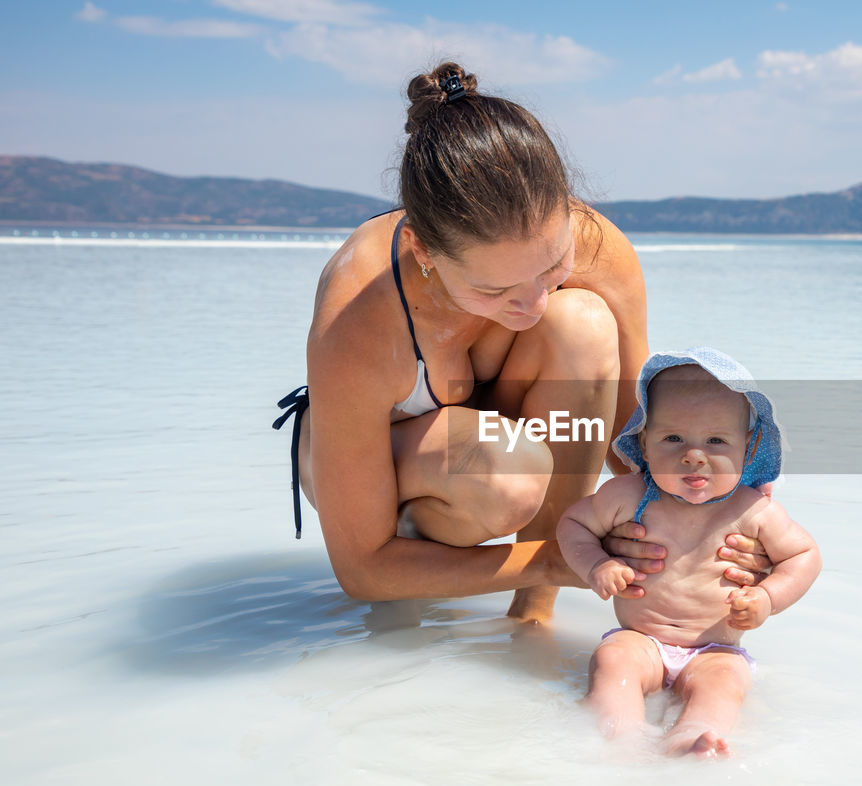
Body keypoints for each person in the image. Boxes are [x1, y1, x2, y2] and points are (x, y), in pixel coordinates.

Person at [273, 62, 770, 623]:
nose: (534, 305)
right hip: (385, 476)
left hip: (503, 452)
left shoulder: (600, 249)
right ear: (422, 250)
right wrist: (557, 560)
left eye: (553, 267)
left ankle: (532, 615)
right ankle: (436, 579)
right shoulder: (358, 317)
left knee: (581, 321)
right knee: (505, 476)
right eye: (495, 289)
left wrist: (721, 518)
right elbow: (360, 572)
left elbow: (634, 444)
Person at [557, 348, 821, 757]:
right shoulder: (628, 496)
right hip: (640, 637)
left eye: (716, 440)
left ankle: (694, 736)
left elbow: (804, 555)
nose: (693, 456)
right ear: (644, 444)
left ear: (748, 450)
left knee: (723, 684)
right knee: (613, 662)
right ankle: (618, 735)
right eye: (673, 438)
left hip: (716, 649)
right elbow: (573, 524)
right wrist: (597, 564)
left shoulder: (752, 511)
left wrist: (769, 597)